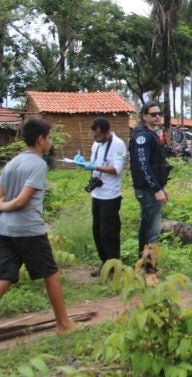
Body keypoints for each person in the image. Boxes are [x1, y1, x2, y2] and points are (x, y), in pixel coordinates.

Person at [0, 118, 75, 334]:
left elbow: (1, 197)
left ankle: (63, 322)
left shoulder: (12, 163)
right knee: (50, 272)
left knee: (5, 276)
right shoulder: (38, 164)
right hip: (28, 229)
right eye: (49, 138)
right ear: (40, 139)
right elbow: (22, 201)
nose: (51, 142)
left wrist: (3, 207)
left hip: (5, 229)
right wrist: (7, 206)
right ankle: (63, 323)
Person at [76, 118, 127, 277]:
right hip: (97, 194)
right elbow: (93, 162)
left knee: (109, 233)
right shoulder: (96, 144)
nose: (95, 138)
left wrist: (95, 167)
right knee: (97, 231)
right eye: (93, 135)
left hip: (110, 196)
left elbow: (116, 169)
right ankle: (104, 263)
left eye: (97, 135)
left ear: (106, 132)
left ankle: (114, 267)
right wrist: (85, 164)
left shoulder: (118, 145)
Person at [129, 102, 171, 256]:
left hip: (151, 188)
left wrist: (161, 186)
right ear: (144, 116)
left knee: (147, 227)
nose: (157, 117)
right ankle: (149, 269)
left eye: (159, 114)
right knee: (152, 231)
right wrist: (156, 189)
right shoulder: (143, 137)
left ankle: (143, 264)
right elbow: (143, 165)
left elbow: (155, 165)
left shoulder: (151, 135)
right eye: (153, 114)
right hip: (147, 190)